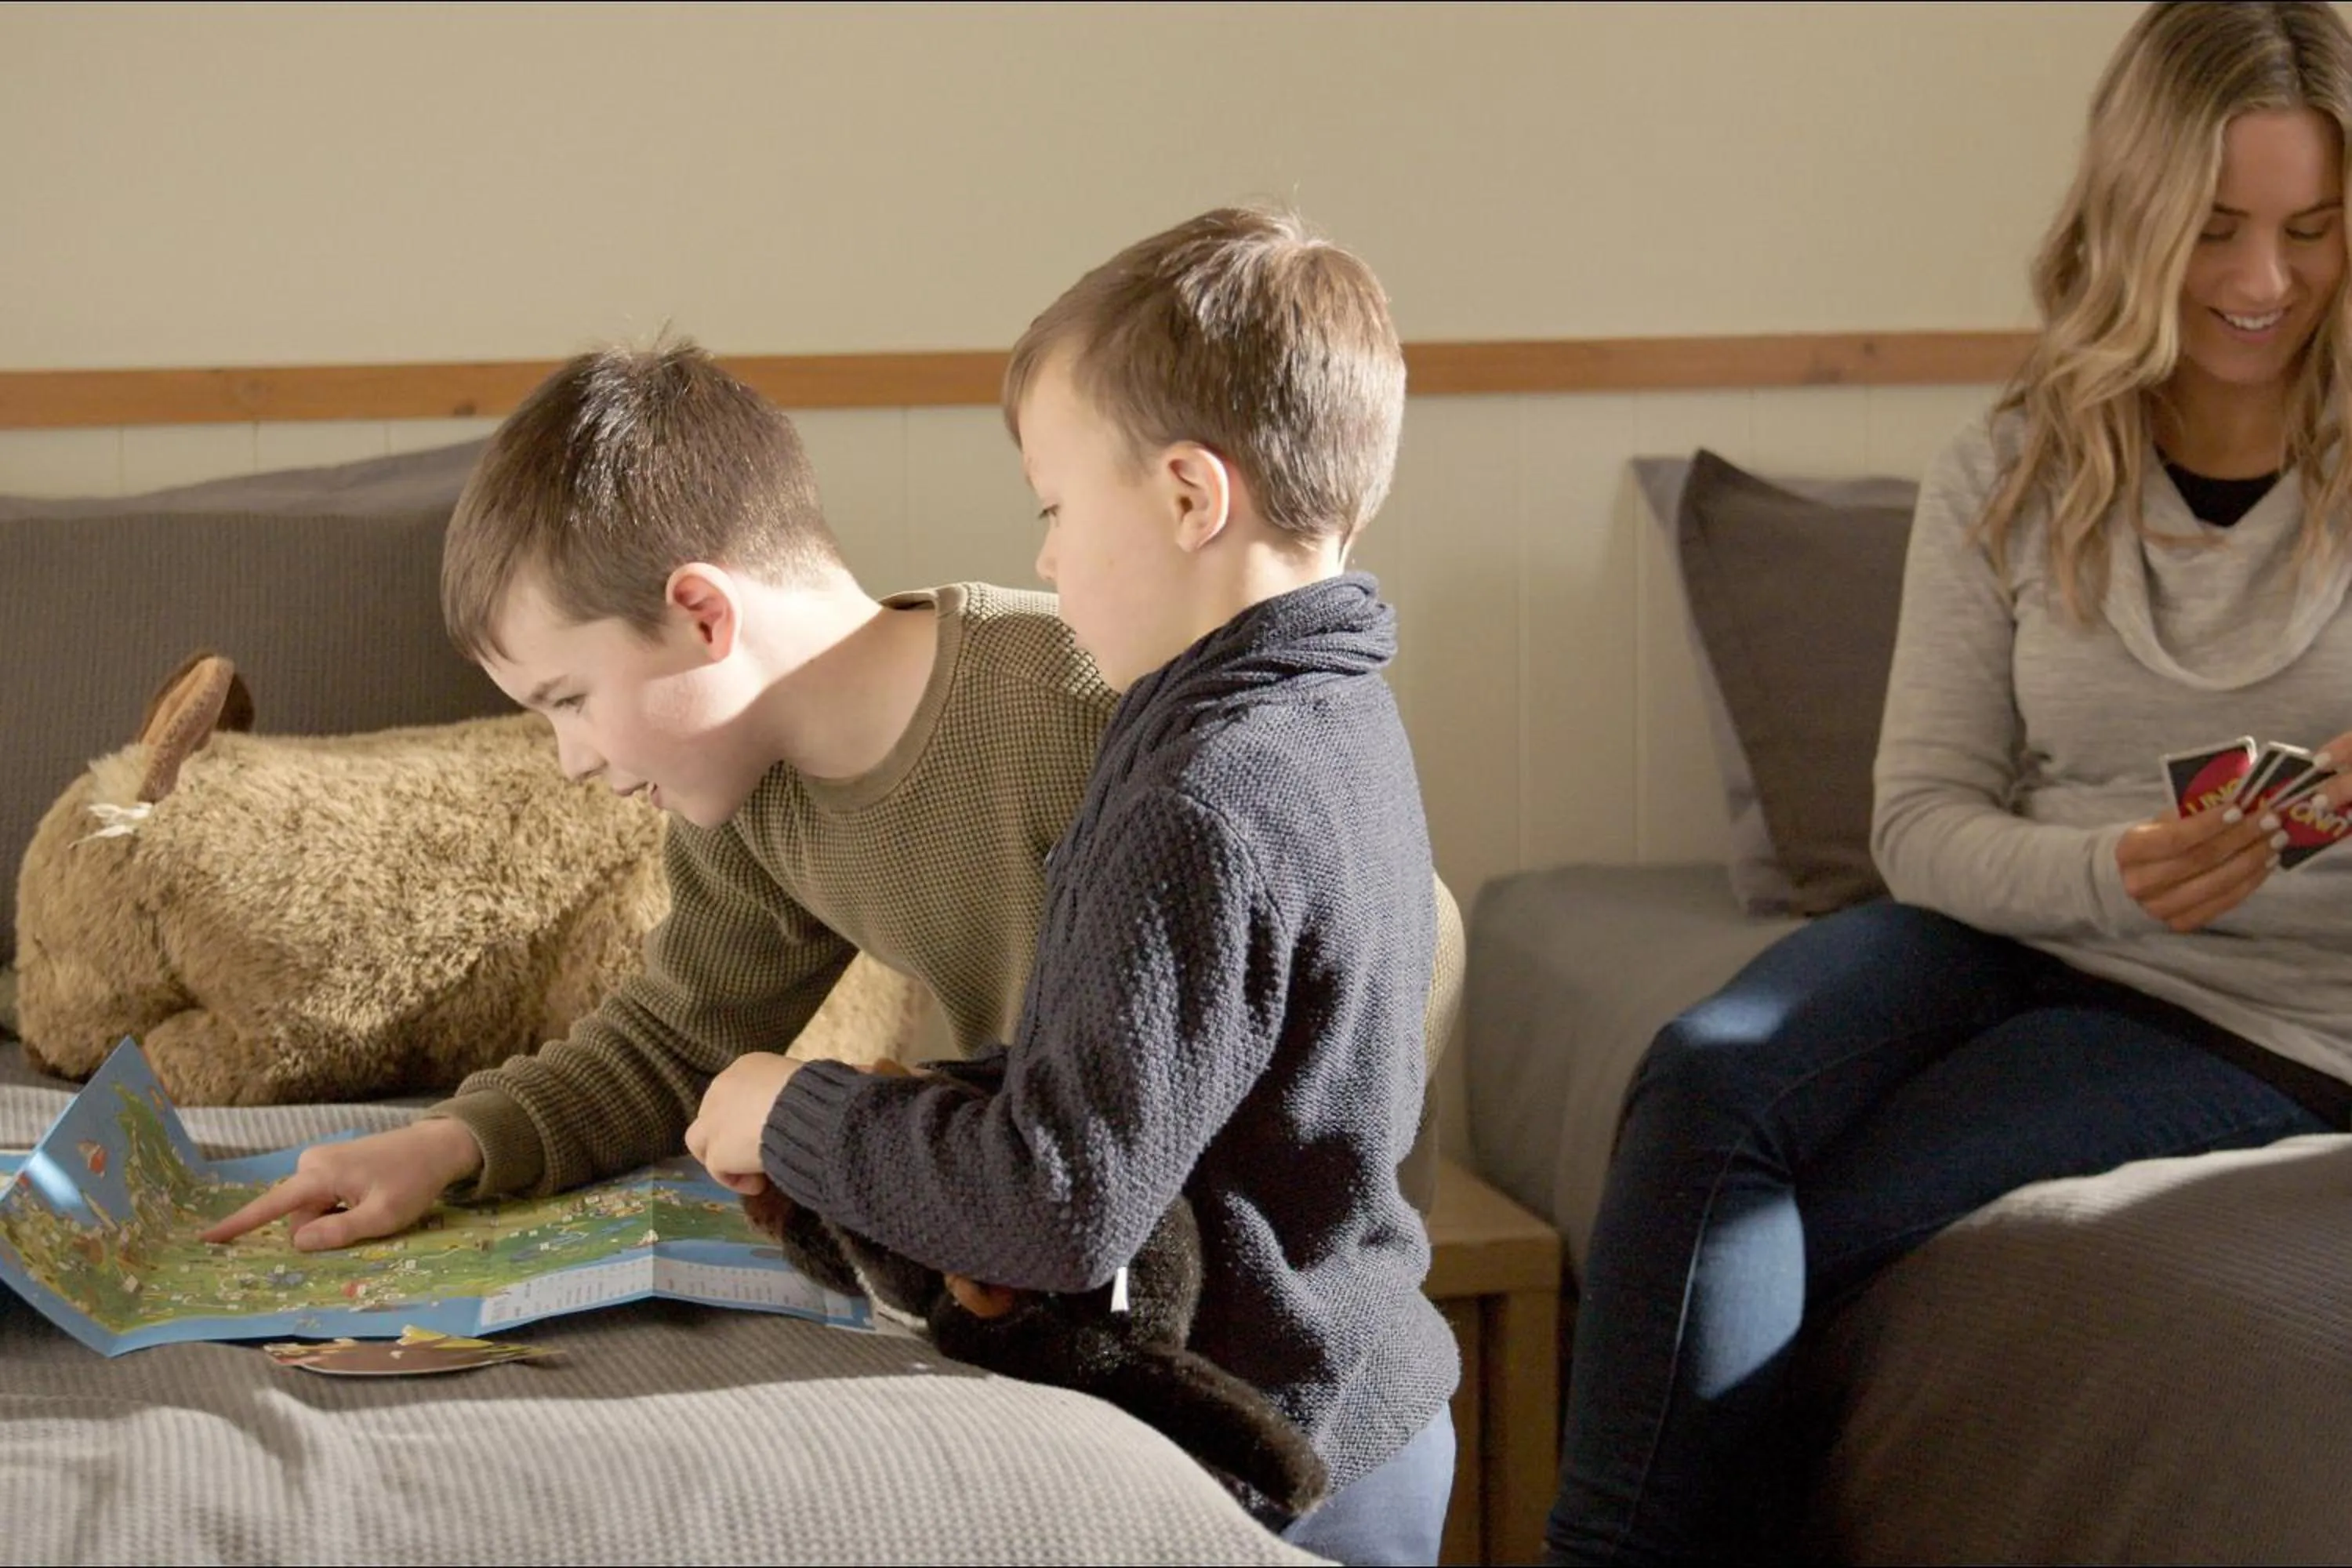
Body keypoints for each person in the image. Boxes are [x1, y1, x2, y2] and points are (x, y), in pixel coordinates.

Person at [1544, 4, 2352, 1563]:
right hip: (2021, 927)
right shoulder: (2013, 468)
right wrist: (2110, 872)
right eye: (2218, 229)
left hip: (2277, 1016)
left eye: (2314, 231)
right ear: (2131, 217)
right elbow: (1920, 822)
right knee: (1707, 1073)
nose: (2266, 283)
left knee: (1798, 1231)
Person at [200, 347, 1461, 1252]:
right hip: (1053, 1230)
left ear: (701, 614)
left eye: (568, 699)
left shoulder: (1089, 704)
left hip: (1226, 1252)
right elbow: (671, 1043)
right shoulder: (749, 800)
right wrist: (445, 1147)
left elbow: (1371, 911)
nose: (570, 758)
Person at [683, 205, 1461, 1566]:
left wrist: (795, 1111)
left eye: (1054, 507)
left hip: (1264, 1461)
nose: (1040, 556)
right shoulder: (1328, 713)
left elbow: (1059, 1201)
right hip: (1359, 1399)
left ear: (1185, 496)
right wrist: (913, 1125)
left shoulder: (1205, 799)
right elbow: (1134, 1090)